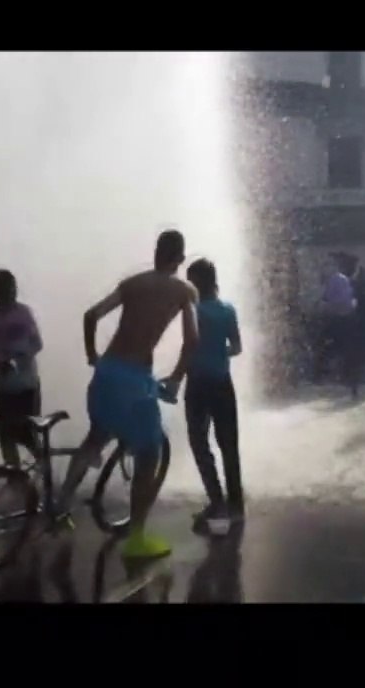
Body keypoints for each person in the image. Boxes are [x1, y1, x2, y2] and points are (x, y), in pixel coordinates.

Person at [55, 230, 199, 560]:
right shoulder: (184, 290)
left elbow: (91, 315)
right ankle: (136, 539)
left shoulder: (133, 284)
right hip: (134, 380)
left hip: (107, 371)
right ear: (180, 258)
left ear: (156, 252)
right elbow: (192, 339)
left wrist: (92, 355)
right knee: (149, 456)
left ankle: (60, 507)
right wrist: (176, 378)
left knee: (95, 438)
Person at [183, 258, 243, 534]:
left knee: (199, 442)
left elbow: (189, 345)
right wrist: (218, 353)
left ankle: (216, 500)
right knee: (228, 443)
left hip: (198, 384)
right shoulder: (228, 310)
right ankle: (235, 502)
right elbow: (237, 347)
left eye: (190, 280)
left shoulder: (193, 311)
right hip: (222, 383)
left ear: (198, 283)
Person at [0, 269, 43, 468]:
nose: (9, 294)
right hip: (4, 386)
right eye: (3, 290)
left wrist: (21, 356)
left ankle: (43, 473)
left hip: (27, 384)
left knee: (28, 434)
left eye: (11, 289)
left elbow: (37, 343)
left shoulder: (23, 313)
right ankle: (15, 476)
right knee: (6, 436)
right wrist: (0, 363)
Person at [314, 255, 356, 387]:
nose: (324, 268)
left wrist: (327, 306)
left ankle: (344, 374)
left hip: (341, 318)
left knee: (334, 346)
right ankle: (328, 373)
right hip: (334, 317)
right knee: (330, 346)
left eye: (327, 265)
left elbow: (344, 301)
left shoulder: (339, 280)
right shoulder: (331, 280)